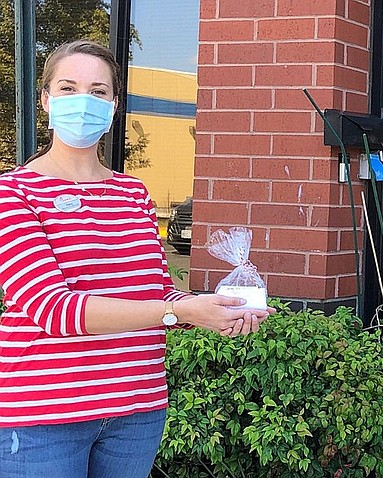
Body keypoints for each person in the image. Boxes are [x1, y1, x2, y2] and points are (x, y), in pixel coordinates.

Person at [0, 39, 273, 478]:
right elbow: (55, 309)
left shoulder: (132, 193)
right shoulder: (14, 193)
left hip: (136, 408)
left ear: (112, 106)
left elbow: (155, 293)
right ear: (46, 101)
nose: (83, 102)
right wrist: (175, 310)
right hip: (43, 414)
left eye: (98, 91)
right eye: (68, 89)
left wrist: (211, 310)